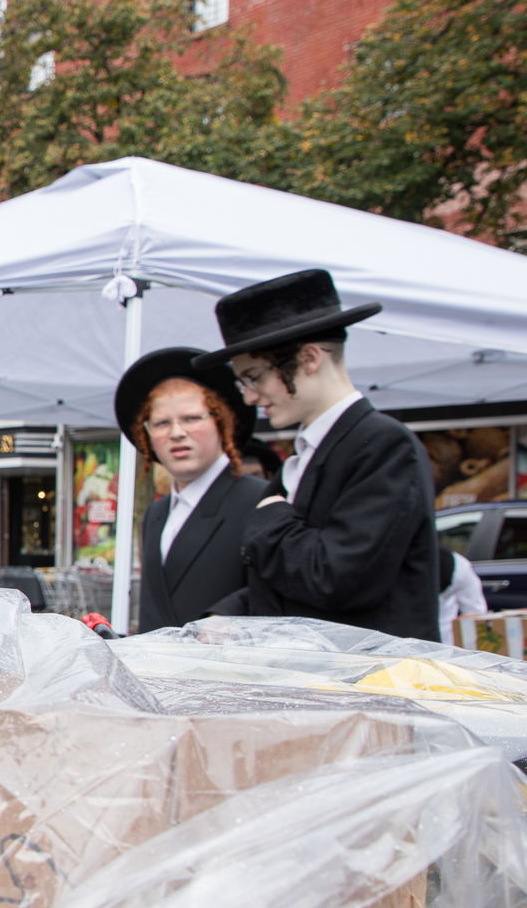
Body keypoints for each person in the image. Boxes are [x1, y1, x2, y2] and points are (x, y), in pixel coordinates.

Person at [192, 268, 440, 640]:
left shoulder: (384, 444)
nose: (248, 397)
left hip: (368, 686)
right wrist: (224, 616)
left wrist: (272, 518)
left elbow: (339, 578)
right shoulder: (309, 453)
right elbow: (291, 583)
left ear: (309, 358)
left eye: (254, 376)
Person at [115, 347, 265, 631]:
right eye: (161, 423)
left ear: (222, 422)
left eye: (192, 418)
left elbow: (281, 595)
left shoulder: (260, 500)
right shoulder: (156, 514)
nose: (176, 433)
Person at [438, 544, 487, 644]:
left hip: (441, 644)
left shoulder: (458, 566)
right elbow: (476, 615)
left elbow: (475, 616)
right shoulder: (459, 565)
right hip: (443, 645)